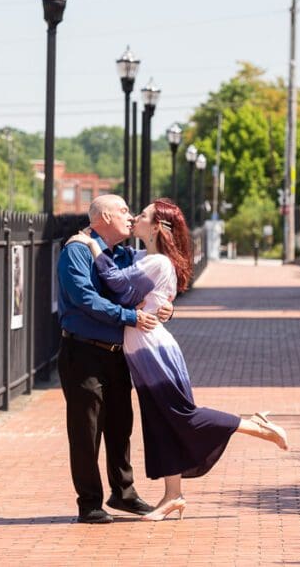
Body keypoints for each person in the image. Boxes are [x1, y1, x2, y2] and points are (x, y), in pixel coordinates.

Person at [66, 198, 288, 522]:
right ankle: (173, 496)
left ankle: (256, 426)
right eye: (128, 212)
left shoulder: (154, 262)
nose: (132, 218)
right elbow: (147, 293)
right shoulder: (140, 256)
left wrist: (94, 248)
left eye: (139, 214)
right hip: (137, 353)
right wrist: (161, 307)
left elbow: (118, 284)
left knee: (181, 415)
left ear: (156, 227)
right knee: (161, 422)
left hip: (152, 351)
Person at [56, 194, 174, 524]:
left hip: (117, 354)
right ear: (104, 216)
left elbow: (145, 286)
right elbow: (84, 299)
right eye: (123, 210)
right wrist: (129, 316)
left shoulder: (123, 254)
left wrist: (166, 307)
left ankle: (124, 493)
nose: (130, 215)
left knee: (121, 425)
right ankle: (89, 503)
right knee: (86, 430)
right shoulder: (76, 250)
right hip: (83, 352)